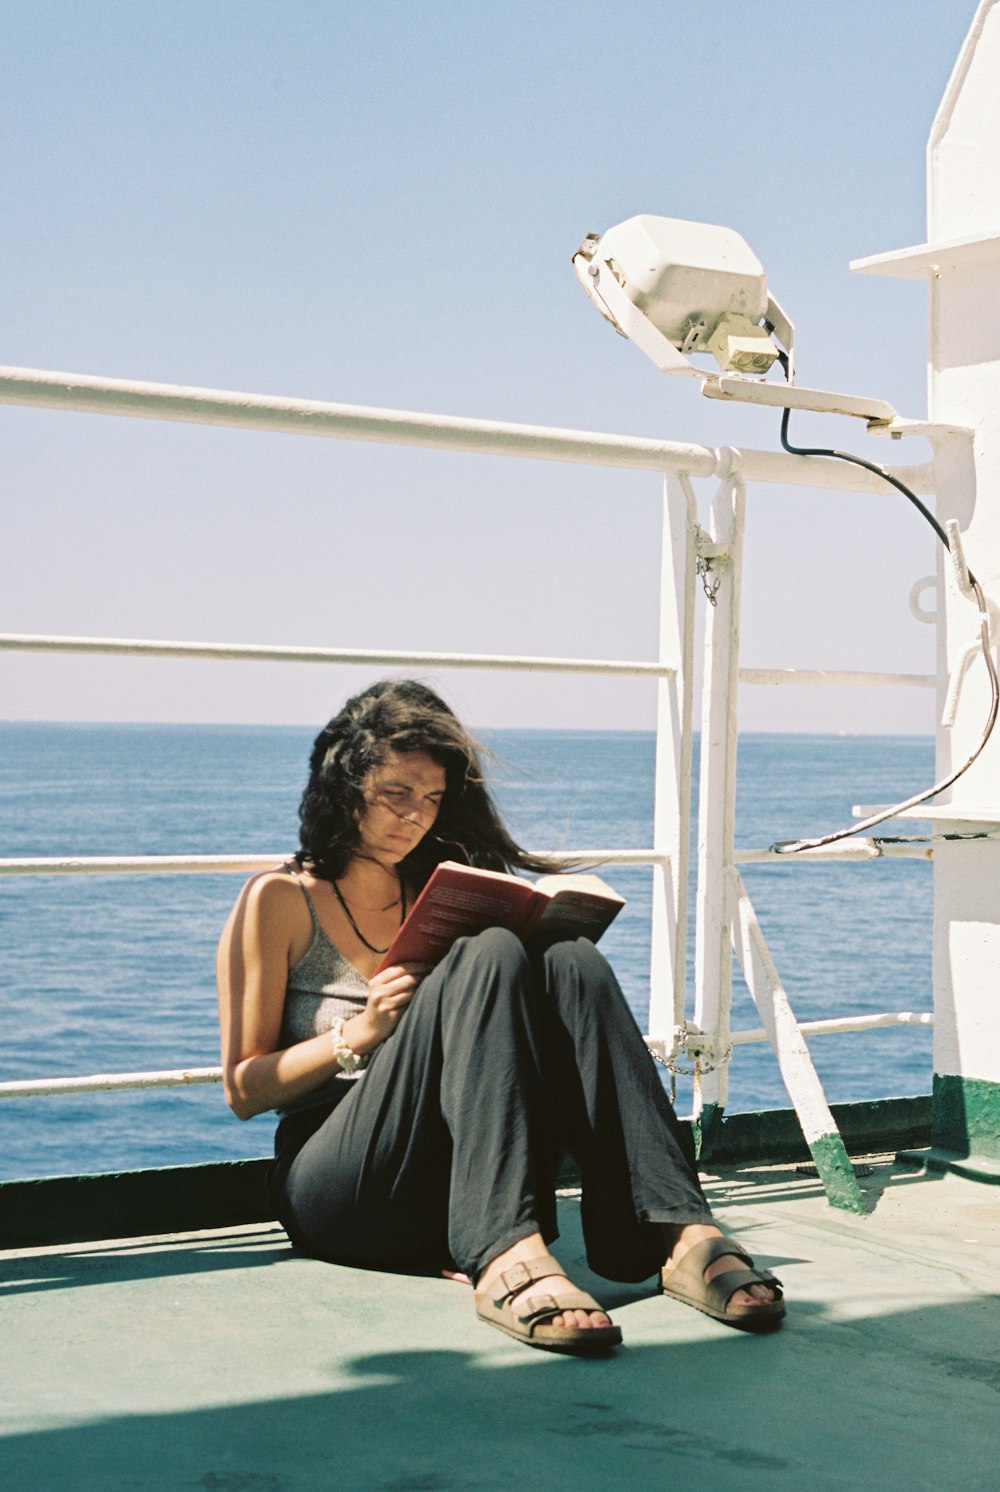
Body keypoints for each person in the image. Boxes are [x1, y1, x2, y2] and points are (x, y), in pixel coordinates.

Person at [217, 679, 784, 1354]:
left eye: (430, 800)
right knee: (485, 954)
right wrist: (360, 1034)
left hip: (457, 1185)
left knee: (570, 958)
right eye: (396, 793)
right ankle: (509, 1253)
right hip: (343, 1191)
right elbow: (245, 1091)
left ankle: (682, 1232)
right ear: (344, 784)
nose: (414, 818)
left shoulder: (439, 882)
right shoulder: (280, 898)